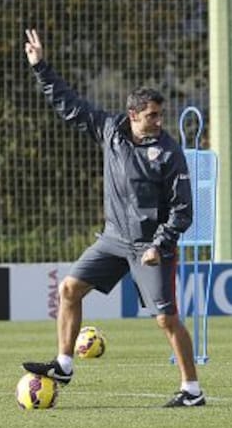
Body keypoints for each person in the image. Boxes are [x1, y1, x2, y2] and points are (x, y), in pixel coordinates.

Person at [19, 28, 204, 407]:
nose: (158, 121)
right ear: (133, 115)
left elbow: (183, 210)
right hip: (114, 238)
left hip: (151, 246)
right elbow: (68, 104)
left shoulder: (169, 153)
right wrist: (40, 67)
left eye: (160, 114)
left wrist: (159, 244)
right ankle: (65, 364)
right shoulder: (109, 130)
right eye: (151, 115)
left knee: (166, 320)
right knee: (69, 289)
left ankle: (192, 390)